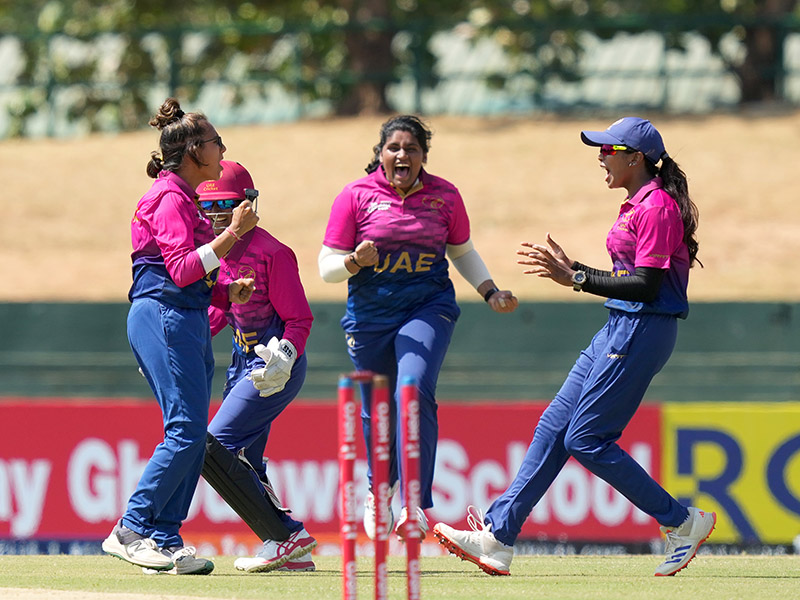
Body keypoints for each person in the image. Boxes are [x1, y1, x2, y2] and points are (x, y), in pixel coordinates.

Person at [432, 117, 715, 577]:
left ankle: (682, 523)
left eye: (608, 150)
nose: (600, 157)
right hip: (619, 326)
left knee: (585, 439)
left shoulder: (657, 206)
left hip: (644, 329)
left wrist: (577, 277)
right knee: (554, 424)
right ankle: (498, 535)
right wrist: (578, 272)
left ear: (634, 157)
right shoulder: (636, 203)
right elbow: (630, 280)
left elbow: (646, 285)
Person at [319, 114, 518, 541]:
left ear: (424, 155)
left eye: (412, 148)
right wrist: (355, 261)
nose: (402, 155)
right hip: (369, 318)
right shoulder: (355, 196)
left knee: (412, 389)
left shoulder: (444, 196)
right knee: (377, 410)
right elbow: (326, 269)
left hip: (428, 307)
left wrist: (490, 291)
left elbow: (462, 251)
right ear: (381, 154)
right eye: (394, 148)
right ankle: (379, 494)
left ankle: (414, 502)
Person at [102, 98, 259, 575]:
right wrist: (231, 234)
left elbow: (192, 272)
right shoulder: (169, 197)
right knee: (186, 430)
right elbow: (182, 268)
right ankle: (130, 529)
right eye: (215, 142)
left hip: (184, 316)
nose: (222, 148)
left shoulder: (181, 197)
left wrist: (228, 286)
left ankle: (164, 536)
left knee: (192, 434)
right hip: (164, 316)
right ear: (193, 149)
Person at [197, 160, 318, 572]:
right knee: (247, 458)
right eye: (205, 207)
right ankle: (286, 548)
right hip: (241, 360)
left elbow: (300, 319)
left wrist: (285, 357)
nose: (214, 216)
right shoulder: (215, 253)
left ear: (247, 204)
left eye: (224, 205)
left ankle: (287, 536)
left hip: (275, 365)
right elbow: (219, 314)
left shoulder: (272, 253)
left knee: (212, 445)